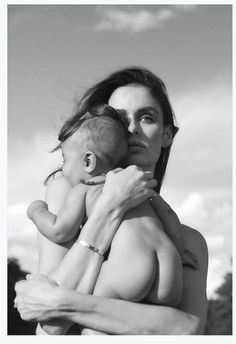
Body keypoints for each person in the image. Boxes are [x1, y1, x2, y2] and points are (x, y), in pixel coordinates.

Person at [15, 67, 208, 335]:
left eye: (146, 118)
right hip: (168, 274)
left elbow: (188, 331)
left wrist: (62, 303)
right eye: (118, 119)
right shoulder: (63, 188)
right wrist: (111, 207)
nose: (131, 129)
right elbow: (48, 332)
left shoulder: (193, 241)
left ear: (167, 134)